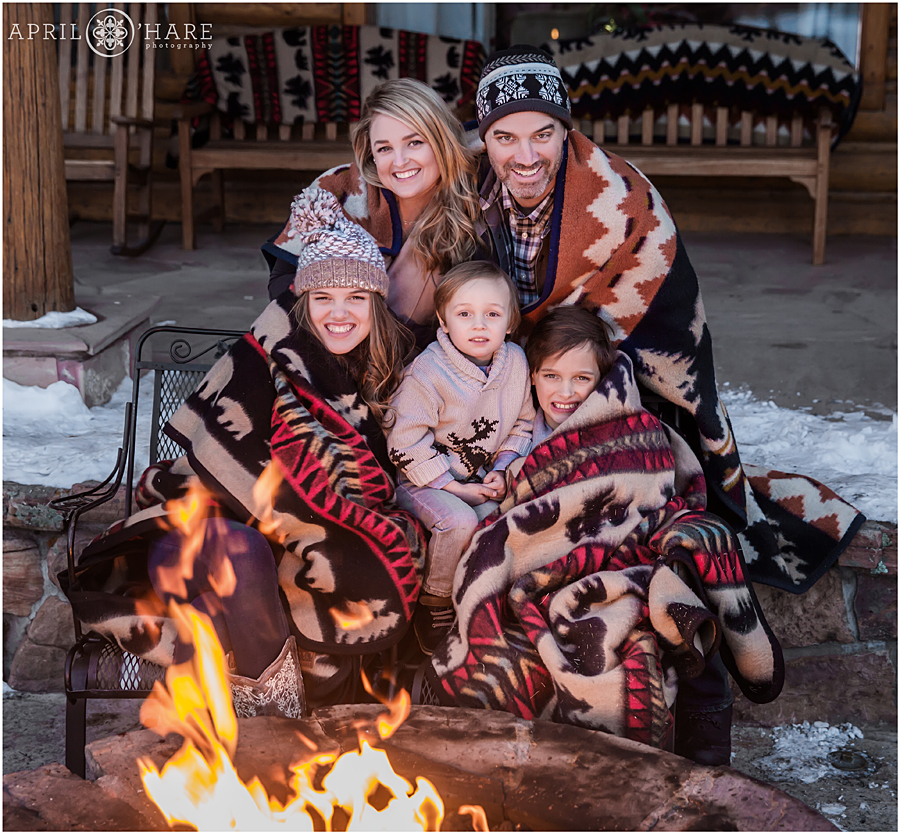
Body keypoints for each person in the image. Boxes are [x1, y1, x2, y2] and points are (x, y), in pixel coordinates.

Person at [471, 45, 864, 763]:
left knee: (638, 482)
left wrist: (584, 382)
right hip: (511, 386)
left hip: (621, 381)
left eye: (542, 133)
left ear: (567, 131)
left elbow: (667, 331)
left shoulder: (623, 201)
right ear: (485, 138)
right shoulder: (469, 197)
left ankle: (692, 611)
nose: (524, 154)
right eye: (505, 135)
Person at [64, 191, 426, 715]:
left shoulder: (391, 383)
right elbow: (219, 458)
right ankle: (280, 730)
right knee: (238, 550)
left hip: (278, 566)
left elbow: (375, 489)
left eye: (355, 298)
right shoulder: (268, 362)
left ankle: (241, 732)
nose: (339, 314)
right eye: (323, 298)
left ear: (376, 302)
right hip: (193, 535)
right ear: (302, 303)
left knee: (231, 593)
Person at [424, 304, 784, 752]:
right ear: (531, 376)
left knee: (657, 622)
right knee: (507, 639)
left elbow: (648, 492)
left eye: (582, 379)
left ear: (602, 379)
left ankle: (699, 766)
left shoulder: (628, 428)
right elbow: (512, 514)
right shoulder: (515, 436)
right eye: (552, 376)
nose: (566, 392)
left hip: (619, 564)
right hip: (538, 574)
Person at [264, 77, 484, 351]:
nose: (400, 161)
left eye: (414, 142)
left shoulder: (474, 197)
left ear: (441, 140)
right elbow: (281, 281)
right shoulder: (337, 189)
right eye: (384, 148)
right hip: (333, 344)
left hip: (425, 359)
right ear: (371, 154)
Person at [386, 261, 534, 653]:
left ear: (510, 321)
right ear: (443, 320)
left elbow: (522, 423)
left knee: (502, 521)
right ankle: (433, 604)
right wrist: (452, 487)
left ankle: (479, 602)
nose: (479, 325)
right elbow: (404, 440)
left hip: (479, 476)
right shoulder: (428, 373)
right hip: (423, 480)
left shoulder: (515, 363)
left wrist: (502, 469)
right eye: (465, 314)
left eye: (492, 314)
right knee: (459, 520)